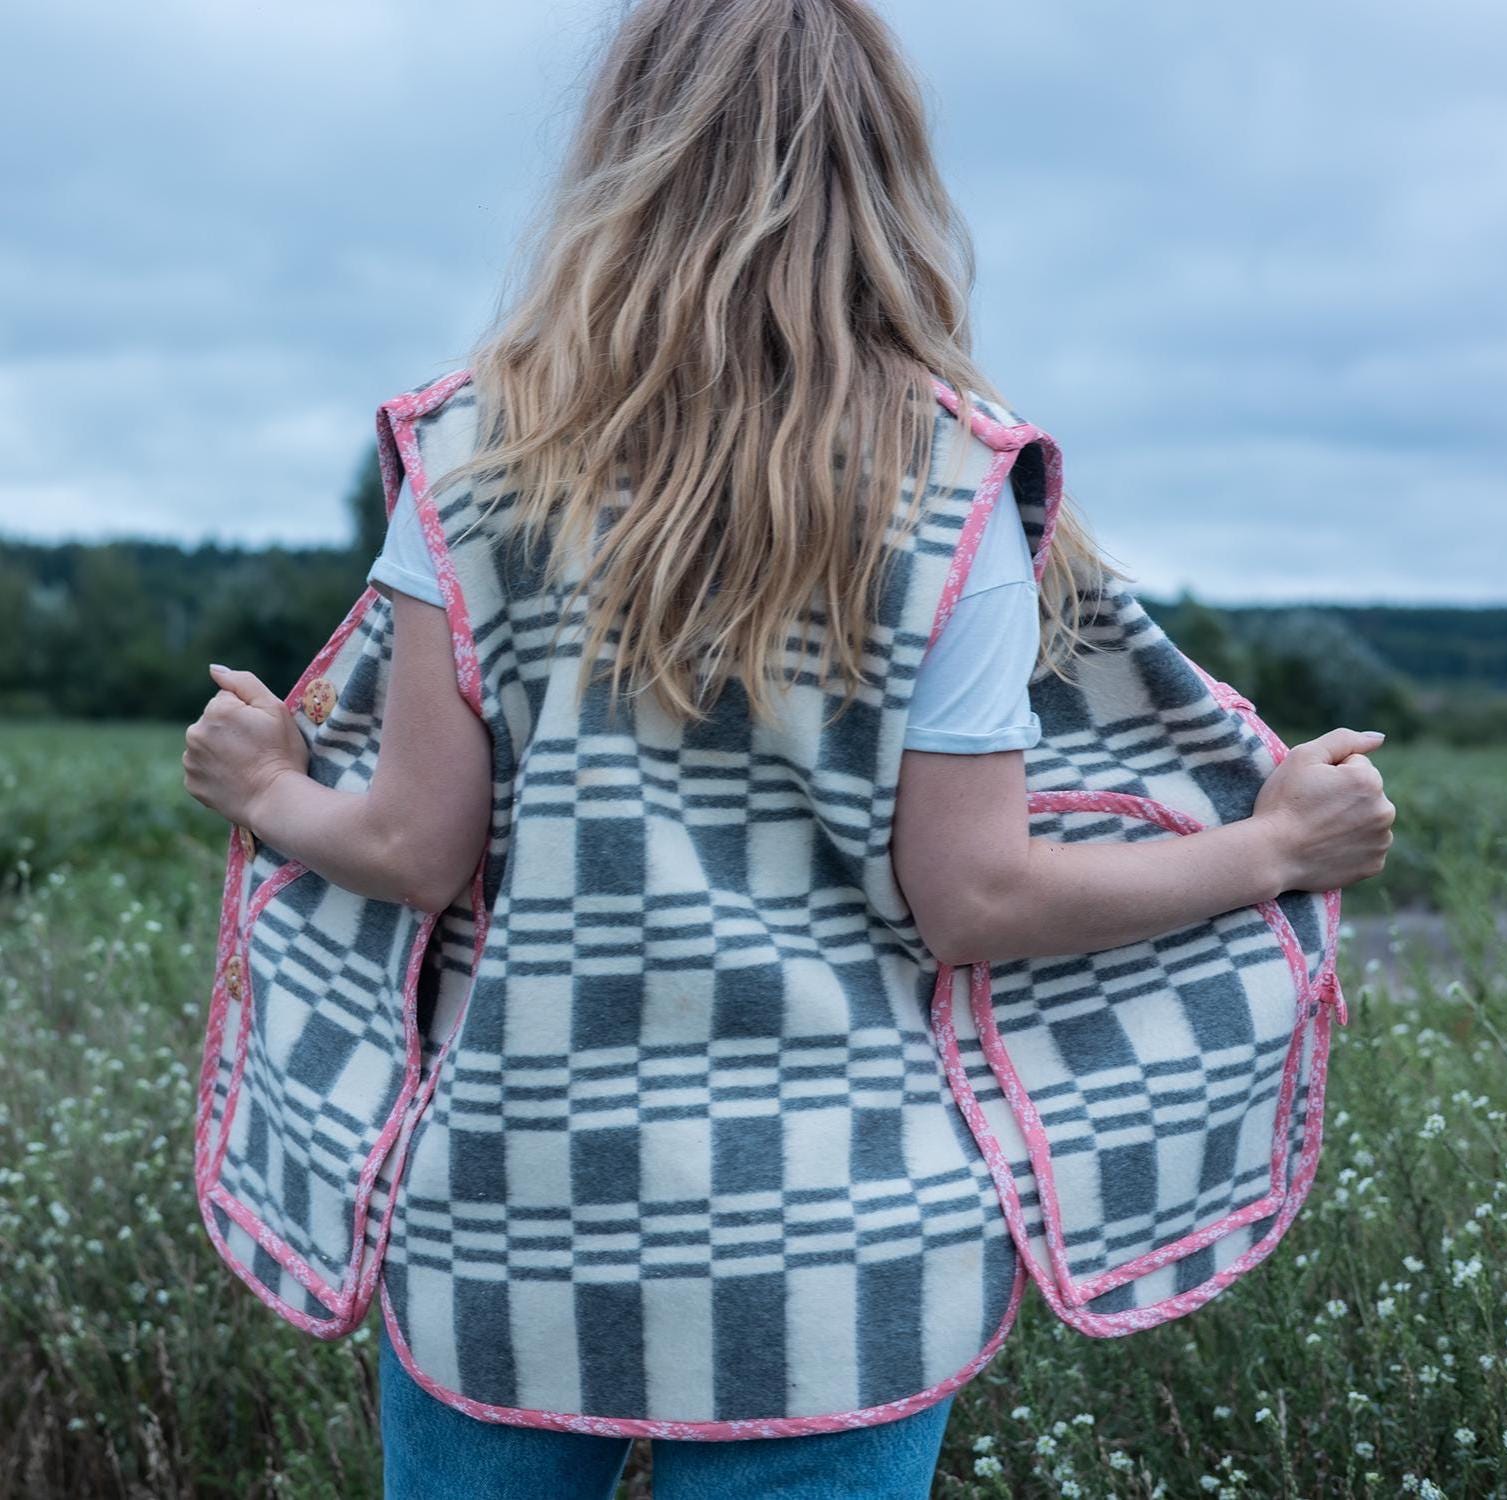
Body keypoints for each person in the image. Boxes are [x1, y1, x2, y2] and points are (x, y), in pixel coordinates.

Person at [182, 0, 1396, 1494]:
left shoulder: (476, 460)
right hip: (842, 1258)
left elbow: (409, 851)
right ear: (886, 174)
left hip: (506, 1232)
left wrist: (265, 787)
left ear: (620, 154)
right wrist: (1271, 847)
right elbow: (979, 900)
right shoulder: (955, 491)